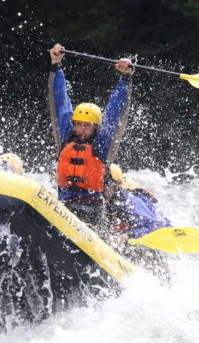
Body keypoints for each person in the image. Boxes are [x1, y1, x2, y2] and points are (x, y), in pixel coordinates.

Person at [48, 43, 133, 226]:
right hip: (65, 205)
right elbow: (60, 101)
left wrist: (125, 78)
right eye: (78, 125)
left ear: (95, 127)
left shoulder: (102, 143)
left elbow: (114, 111)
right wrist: (56, 65)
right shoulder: (67, 137)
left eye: (86, 126)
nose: (81, 130)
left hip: (94, 210)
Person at [106, 163, 172, 282]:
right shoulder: (103, 200)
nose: (100, 189)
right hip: (128, 244)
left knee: (137, 247)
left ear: (115, 185)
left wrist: (128, 235)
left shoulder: (130, 201)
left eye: (104, 185)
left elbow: (155, 227)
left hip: (149, 242)